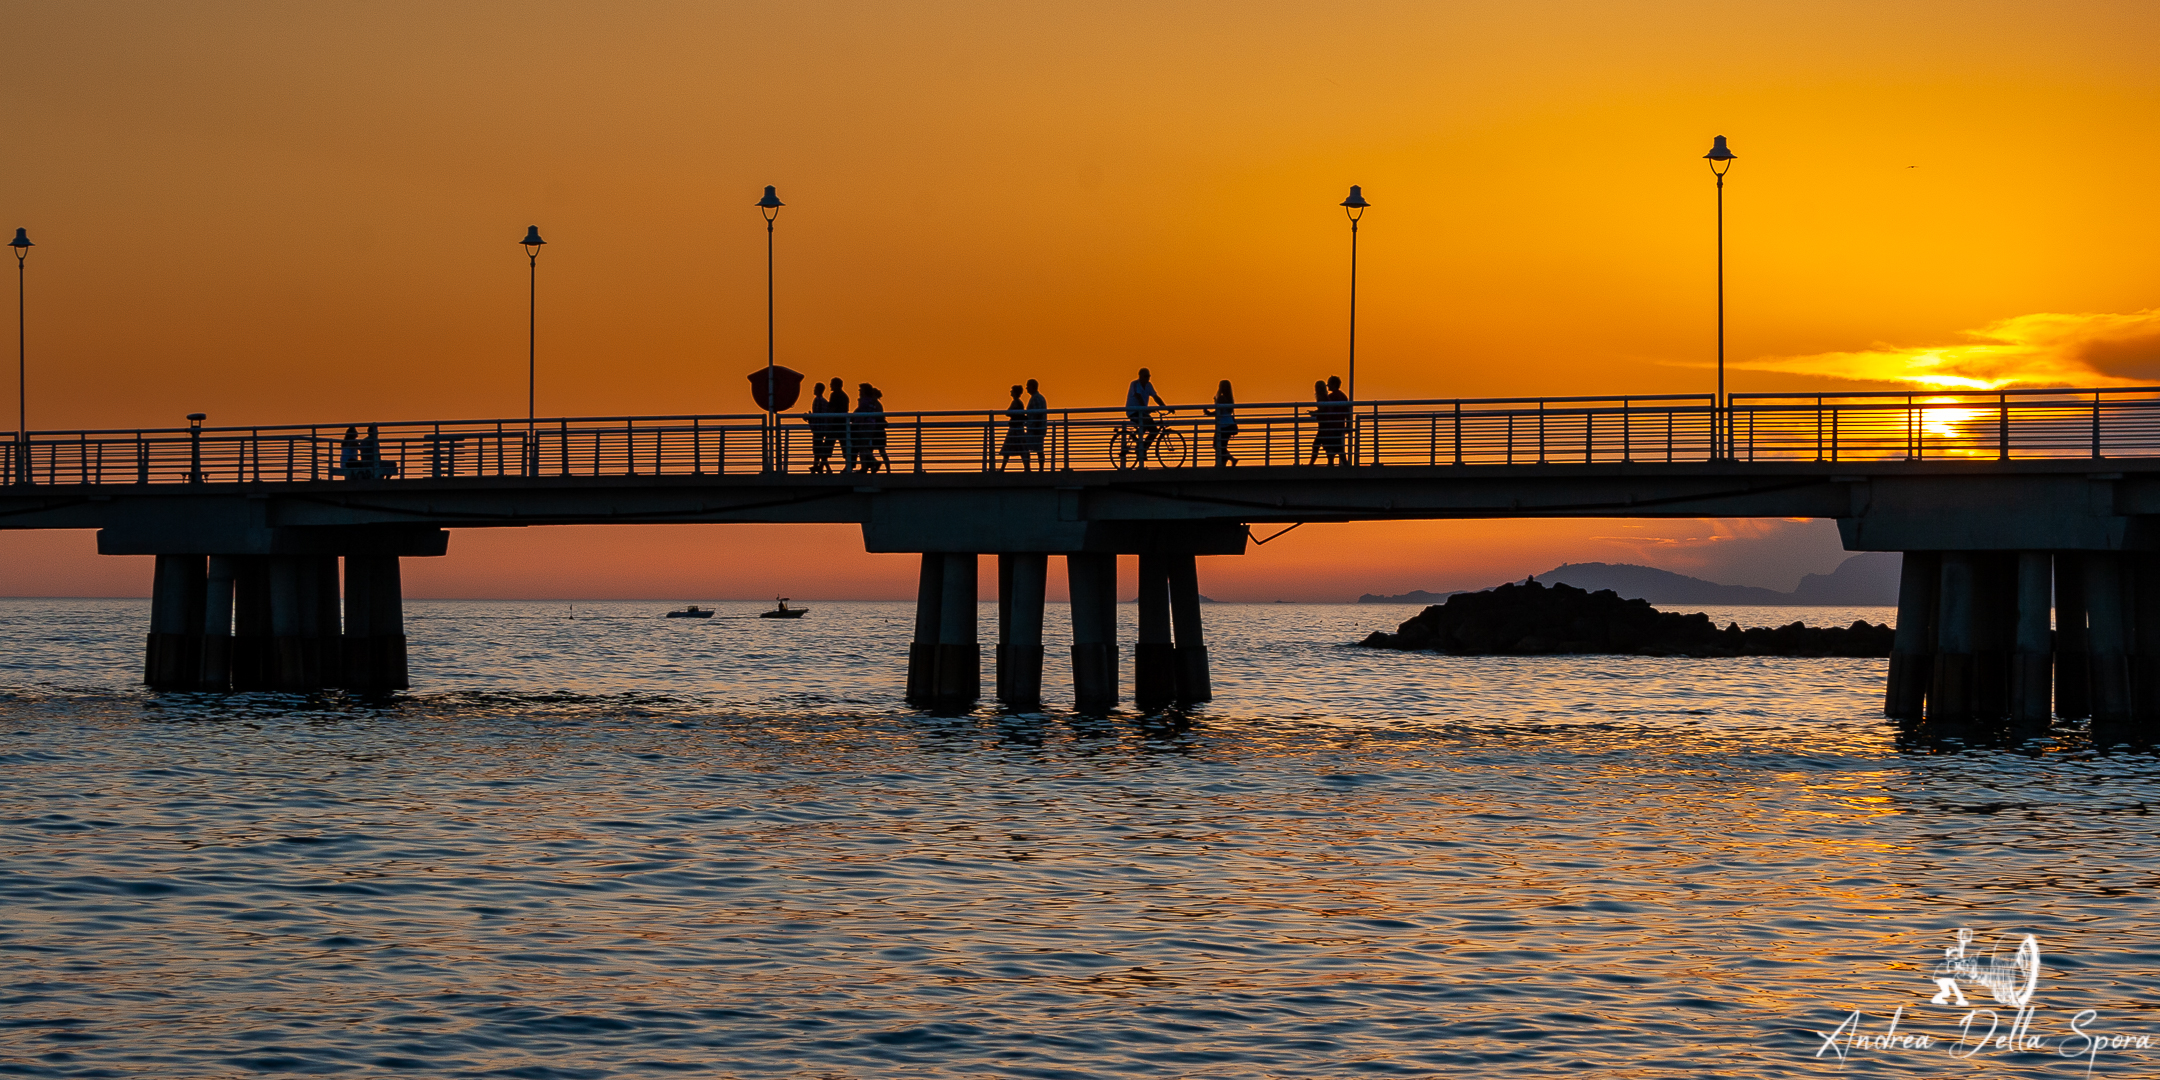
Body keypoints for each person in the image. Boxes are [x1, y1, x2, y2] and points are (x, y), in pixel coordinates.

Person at [1126, 366, 1169, 466]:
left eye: (1148, 376)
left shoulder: (1149, 385)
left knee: (1153, 429)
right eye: (1145, 376)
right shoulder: (1135, 384)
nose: (1147, 379)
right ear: (1140, 376)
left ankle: (1142, 447)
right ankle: (1141, 449)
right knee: (1150, 425)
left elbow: (1155, 397)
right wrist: (1148, 409)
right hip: (1134, 412)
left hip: (1143, 412)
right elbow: (1139, 398)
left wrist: (1165, 407)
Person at [853, 383, 888, 474]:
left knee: (861, 446)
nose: (859, 391)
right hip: (871, 425)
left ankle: (873, 463)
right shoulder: (871, 402)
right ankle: (865, 467)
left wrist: (859, 424)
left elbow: (861, 414)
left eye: (861, 390)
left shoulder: (864, 401)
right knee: (863, 446)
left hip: (865, 425)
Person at [1207, 380, 1239, 467]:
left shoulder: (1221, 398)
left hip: (1223, 425)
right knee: (1222, 446)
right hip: (1229, 424)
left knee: (1217, 445)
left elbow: (1219, 412)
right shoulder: (1229, 399)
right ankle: (1222, 464)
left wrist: (1210, 412)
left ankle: (1230, 459)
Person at [998, 384, 1029, 471]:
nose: (1010, 392)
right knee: (1021, 449)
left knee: (1008, 448)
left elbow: (1008, 412)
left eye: (1012, 391)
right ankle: (1026, 468)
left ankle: (1002, 468)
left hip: (1015, 429)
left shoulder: (1016, 402)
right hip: (1018, 428)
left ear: (1015, 392)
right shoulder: (1019, 402)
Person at [1323, 375, 1350, 466]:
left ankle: (1333, 465)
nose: (1327, 386)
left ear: (1333, 384)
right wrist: (1348, 425)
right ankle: (1335, 464)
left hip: (1332, 426)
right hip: (1340, 425)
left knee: (1333, 447)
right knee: (1337, 446)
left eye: (1329, 384)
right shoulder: (1343, 396)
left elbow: (1327, 410)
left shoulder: (1331, 397)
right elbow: (1348, 412)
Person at [826, 377, 853, 472]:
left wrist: (828, 421)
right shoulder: (845, 396)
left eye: (831, 384)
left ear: (836, 385)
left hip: (835, 425)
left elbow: (831, 409)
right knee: (845, 446)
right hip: (843, 424)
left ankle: (826, 467)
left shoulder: (834, 395)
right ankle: (848, 467)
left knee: (827, 446)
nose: (830, 385)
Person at [807, 381, 834, 474]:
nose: (813, 390)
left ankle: (818, 467)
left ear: (818, 390)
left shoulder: (817, 400)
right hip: (823, 428)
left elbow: (817, 415)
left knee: (817, 448)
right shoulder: (824, 401)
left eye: (815, 388)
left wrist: (809, 419)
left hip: (818, 428)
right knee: (820, 448)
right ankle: (819, 467)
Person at [1024, 378, 1048, 469]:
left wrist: (1034, 427)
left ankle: (1028, 468)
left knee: (1026, 447)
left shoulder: (1036, 398)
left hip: (1035, 429)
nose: (1026, 388)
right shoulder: (1038, 398)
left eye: (1028, 386)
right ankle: (1040, 468)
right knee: (1039, 449)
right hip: (1037, 428)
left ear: (1032, 387)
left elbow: (1038, 414)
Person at [1306, 380, 1332, 466]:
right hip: (1325, 424)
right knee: (1325, 445)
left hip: (1324, 425)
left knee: (1317, 445)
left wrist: (1315, 413)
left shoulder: (1322, 397)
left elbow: (1323, 410)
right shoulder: (1325, 397)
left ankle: (1311, 464)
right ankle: (1330, 463)